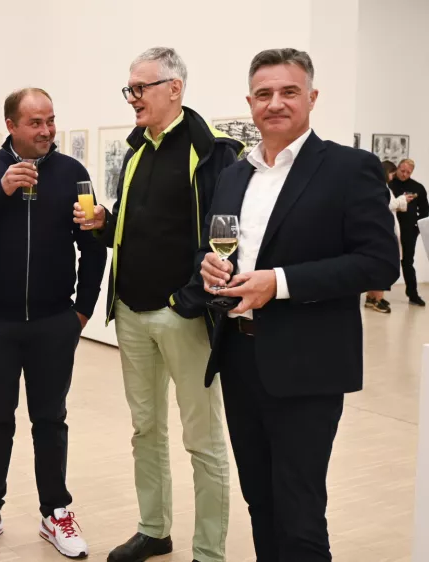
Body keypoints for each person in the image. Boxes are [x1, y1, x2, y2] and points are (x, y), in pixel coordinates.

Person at [196, 48, 398, 560]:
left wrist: (280, 283)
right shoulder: (233, 175)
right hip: (239, 358)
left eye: (288, 91)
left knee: (300, 513)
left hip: (308, 364)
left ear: (312, 97)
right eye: (263, 94)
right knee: (259, 501)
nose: (275, 103)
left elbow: (379, 264)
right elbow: (214, 247)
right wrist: (208, 266)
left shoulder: (349, 169)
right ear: (249, 103)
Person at [74, 47, 240, 562]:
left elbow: (225, 235)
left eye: (140, 88)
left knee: (203, 440)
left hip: (182, 316)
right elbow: (136, 225)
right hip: (130, 313)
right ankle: (153, 530)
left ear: (175, 88)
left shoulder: (212, 151)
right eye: (129, 88)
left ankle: (209, 551)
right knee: (145, 430)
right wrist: (106, 223)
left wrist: (187, 300)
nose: (132, 97)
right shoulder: (135, 152)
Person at [0, 87, 106, 559]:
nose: (47, 130)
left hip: (55, 322)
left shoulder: (72, 173)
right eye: (35, 123)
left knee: (50, 419)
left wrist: (82, 310)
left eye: (50, 120)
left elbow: (93, 243)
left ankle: (56, 512)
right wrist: (1, 189)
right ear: (11, 125)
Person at [365, 160, 407, 313]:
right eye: (392, 173)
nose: (393, 176)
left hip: (380, 231)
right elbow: (385, 205)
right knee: (382, 266)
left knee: (377, 265)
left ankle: (371, 297)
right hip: (382, 233)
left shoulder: (376, 186)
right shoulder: (380, 188)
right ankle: (378, 299)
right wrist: (402, 200)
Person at [389, 158, 428, 305]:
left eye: (408, 172)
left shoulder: (418, 188)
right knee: (384, 260)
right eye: (402, 170)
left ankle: (413, 294)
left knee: (407, 262)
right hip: (390, 229)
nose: (404, 174)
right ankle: (377, 297)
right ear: (397, 168)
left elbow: (425, 212)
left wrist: (417, 229)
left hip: (409, 231)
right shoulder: (389, 185)